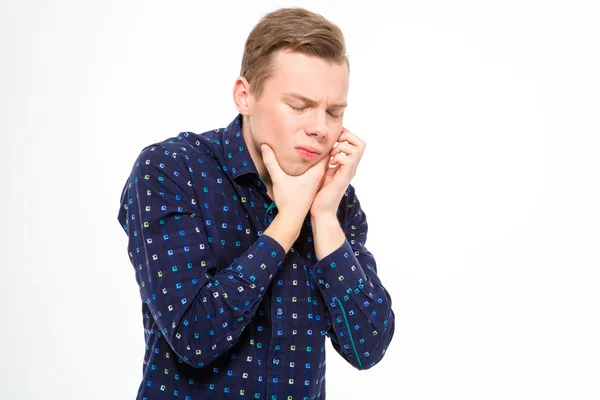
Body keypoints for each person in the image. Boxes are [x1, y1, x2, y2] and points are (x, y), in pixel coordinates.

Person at [117, 7, 395, 399]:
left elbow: (368, 347)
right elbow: (195, 335)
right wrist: (288, 222)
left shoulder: (334, 198)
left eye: (334, 112)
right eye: (299, 106)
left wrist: (324, 218)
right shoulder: (171, 170)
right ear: (244, 96)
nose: (320, 128)